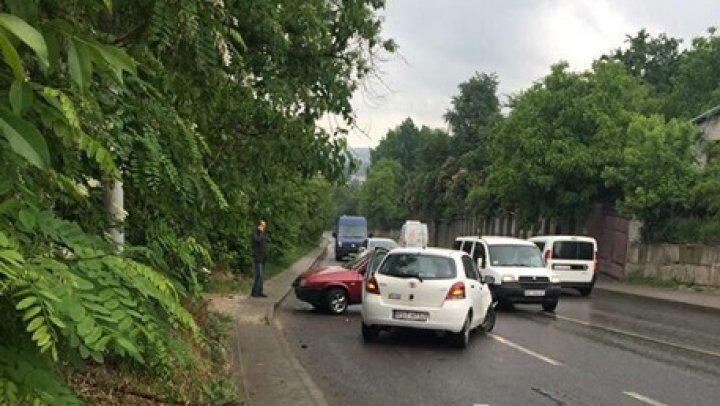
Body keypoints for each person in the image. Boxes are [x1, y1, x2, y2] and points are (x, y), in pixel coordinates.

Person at [251, 219, 269, 298]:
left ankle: (260, 291)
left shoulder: (264, 234)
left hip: (263, 257)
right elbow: (257, 240)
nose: (263, 227)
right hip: (258, 257)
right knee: (259, 274)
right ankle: (255, 291)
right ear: (258, 226)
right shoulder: (256, 234)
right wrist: (261, 233)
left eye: (264, 226)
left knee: (262, 276)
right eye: (262, 226)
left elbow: (265, 244)